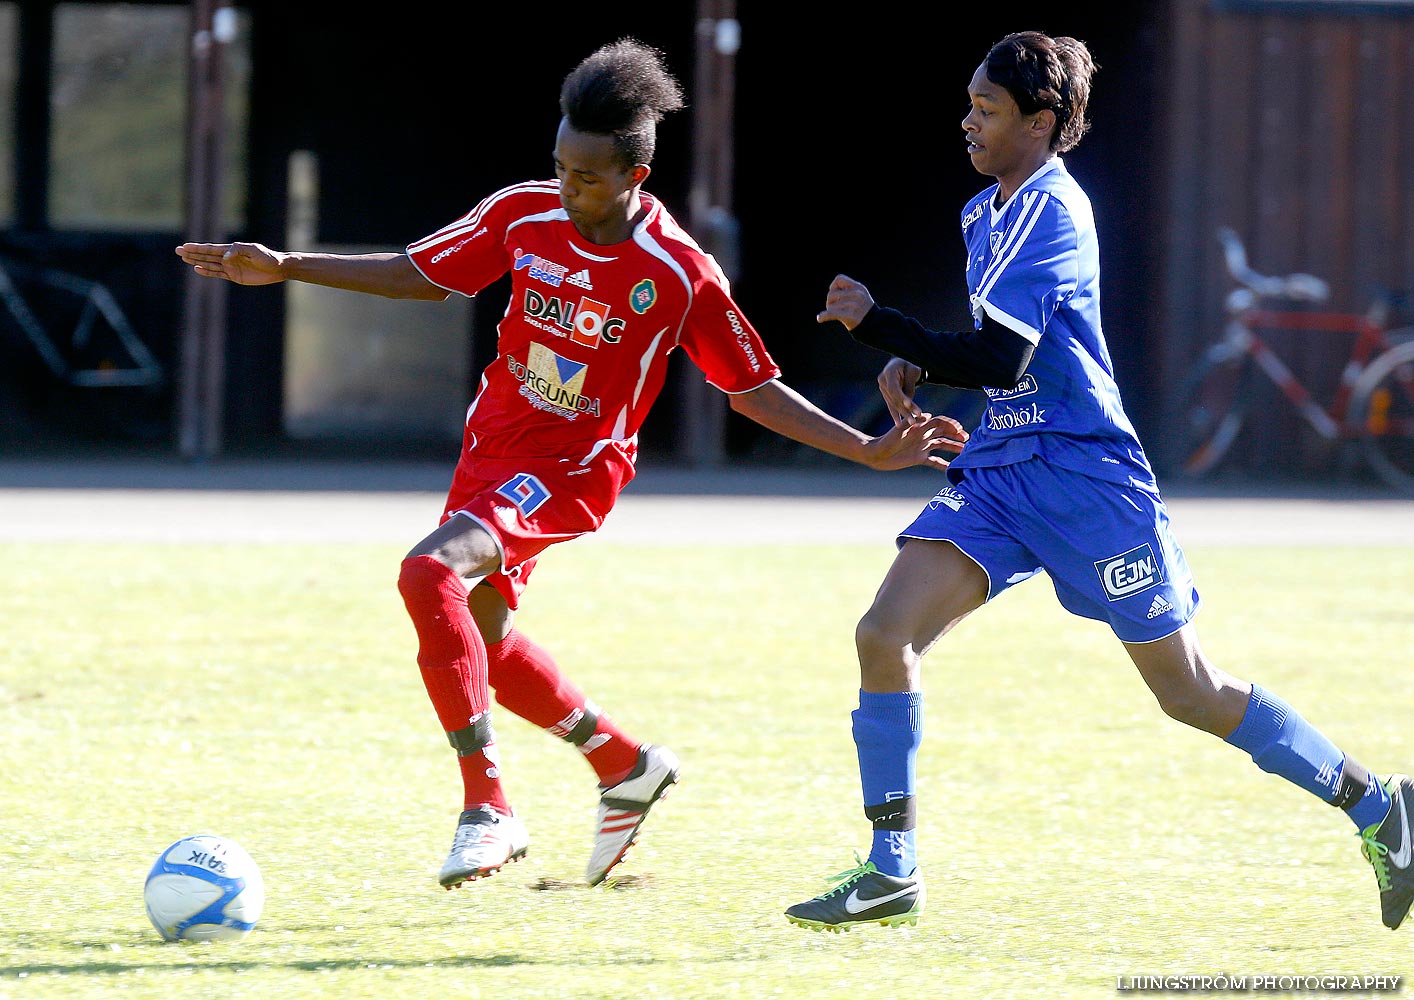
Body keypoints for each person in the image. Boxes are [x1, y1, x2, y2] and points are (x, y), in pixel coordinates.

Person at [176, 38, 966, 891]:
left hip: (572, 469)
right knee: (476, 625)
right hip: (492, 450)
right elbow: (423, 274)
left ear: (636, 176)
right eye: (560, 167)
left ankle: (488, 808)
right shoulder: (523, 213)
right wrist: (291, 265)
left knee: (426, 575)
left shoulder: (677, 273)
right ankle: (623, 763)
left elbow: (753, 387)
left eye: (587, 177)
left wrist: (865, 450)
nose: (567, 188)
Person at [784, 29, 1413, 933]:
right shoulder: (983, 213)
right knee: (885, 634)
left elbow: (1005, 353)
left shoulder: (1055, 212)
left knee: (1187, 691)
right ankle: (892, 871)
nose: (968, 120)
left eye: (988, 109)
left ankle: (1380, 806)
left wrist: (881, 328)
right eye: (969, 103)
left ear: (1041, 122)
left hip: (1087, 480)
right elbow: (1005, 355)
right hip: (1002, 471)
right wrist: (919, 371)